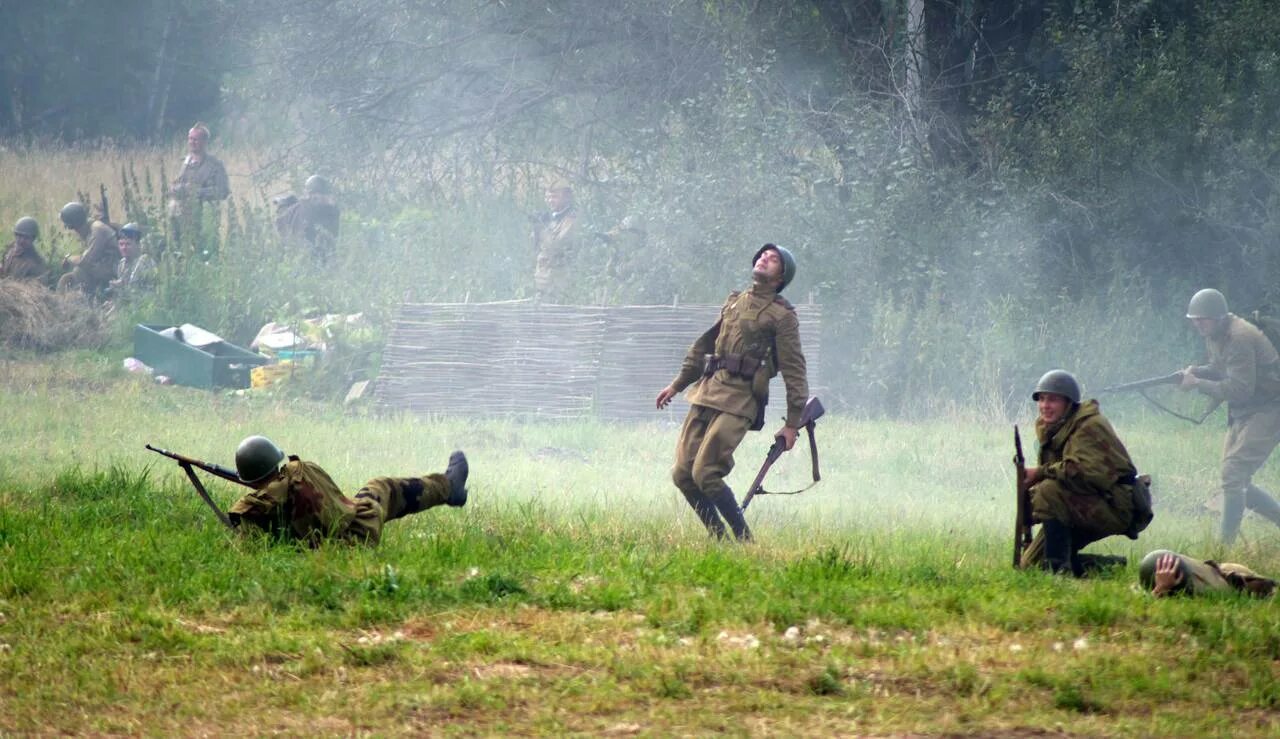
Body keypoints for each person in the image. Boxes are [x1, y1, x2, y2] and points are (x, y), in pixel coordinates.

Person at [655, 244, 808, 541]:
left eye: (774, 259)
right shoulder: (735, 302)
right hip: (707, 392)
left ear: (781, 277)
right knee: (682, 475)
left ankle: (744, 540)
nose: (765, 258)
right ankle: (720, 538)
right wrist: (677, 384)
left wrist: (792, 423)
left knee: (707, 473)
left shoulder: (782, 316)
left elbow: (794, 370)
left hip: (741, 400)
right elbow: (704, 346)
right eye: (763, 254)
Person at [226, 436, 470, 546]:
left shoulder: (253, 508)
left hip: (339, 546)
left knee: (383, 489)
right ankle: (448, 487)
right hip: (356, 530)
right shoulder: (301, 470)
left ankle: (450, 488)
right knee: (384, 487)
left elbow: (248, 545)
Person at [1179, 288, 1280, 544]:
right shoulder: (1215, 333)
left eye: (1202, 320)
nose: (1198, 325)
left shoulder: (1240, 337)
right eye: (1195, 320)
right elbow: (1220, 368)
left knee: (1234, 472)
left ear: (1218, 317)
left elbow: (1240, 389)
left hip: (1269, 407)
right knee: (1236, 477)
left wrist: (1197, 384)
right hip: (1248, 409)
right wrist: (1196, 372)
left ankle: (1225, 548)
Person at [1019, 370, 1142, 575]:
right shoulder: (1054, 426)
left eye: (1052, 400)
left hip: (1115, 504)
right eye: (1041, 399)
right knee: (1030, 566)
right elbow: (1059, 477)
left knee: (1048, 491)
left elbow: (1083, 472)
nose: (1044, 406)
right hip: (1085, 499)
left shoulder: (1089, 425)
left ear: (1068, 402)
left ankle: (1058, 570)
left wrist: (1039, 473)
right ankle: (1107, 567)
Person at [1139, 550, 1276, 597]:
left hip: (1221, 572)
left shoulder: (1233, 573)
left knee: (1262, 585)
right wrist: (1160, 588)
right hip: (1220, 579)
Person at [532, 181, 580, 303]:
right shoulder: (552, 218)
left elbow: (557, 245)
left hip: (560, 279)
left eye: (554, 197)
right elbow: (535, 245)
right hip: (543, 278)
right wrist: (536, 227)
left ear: (567, 198)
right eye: (547, 197)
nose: (550, 200)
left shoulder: (572, 219)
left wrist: (543, 227)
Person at [55, 202, 118, 296]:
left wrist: (69, 258)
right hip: (108, 267)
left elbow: (85, 261)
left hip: (115, 270)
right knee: (70, 277)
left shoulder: (97, 230)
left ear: (73, 225)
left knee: (80, 271)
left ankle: (89, 299)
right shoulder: (92, 229)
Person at [275, 174, 341, 262]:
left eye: (320, 194)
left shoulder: (328, 211)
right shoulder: (304, 211)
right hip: (301, 258)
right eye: (314, 194)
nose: (316, 198)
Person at [168, 123, 230, 216]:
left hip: (206, 217)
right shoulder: (182, 163)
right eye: (190, 138)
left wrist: (196, 192)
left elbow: (223, 191)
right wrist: (179, 189)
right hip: (180, 216)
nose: (192, 142)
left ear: (205, 142)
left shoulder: (215, 165)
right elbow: (172, 187)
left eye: (195, 139)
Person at [109, 223, 156, 294]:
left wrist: (124, 286)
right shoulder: (122, 264)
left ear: (138, 245)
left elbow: (151, 290)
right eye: (121, 244)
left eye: (128, 244)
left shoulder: (145, 261)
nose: (124, 248)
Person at [0, 217, 48, 283]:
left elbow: (38, 287)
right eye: (19, 236)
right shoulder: (9, 250)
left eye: (26, 237)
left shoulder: (37, 262)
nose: (22, 240)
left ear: (33, 239)